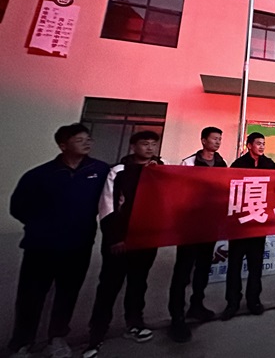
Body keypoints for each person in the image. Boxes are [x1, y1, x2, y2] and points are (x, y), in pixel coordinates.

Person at [8, 124, 109, 358]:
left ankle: (57, 337)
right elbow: (18, 207)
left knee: (67, 293)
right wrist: (42, 225)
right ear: (63, 146)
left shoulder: (100, 170)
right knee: (31, 296)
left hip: (79, 244)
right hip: (41, 246)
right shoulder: (39, 175)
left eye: (88, 138)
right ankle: (22, 343)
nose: (87, 142)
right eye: (79, 140)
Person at [84, 131, 165, 358]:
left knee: (138, 283)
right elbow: (107, 207)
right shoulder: (118, 171)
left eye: (153, 144)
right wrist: (115, 238)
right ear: (133, 146)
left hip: (146, 238)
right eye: (144, 144)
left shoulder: (161, 169)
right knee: (109, 286)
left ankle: (134, 323)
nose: (149, 148)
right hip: (120, 240)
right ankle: (97, 334)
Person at [168, 127, 228, 342]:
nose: (218, 142)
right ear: (203, 140)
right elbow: (180, 192)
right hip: (189, 226)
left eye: (220, 139)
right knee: (183, 271)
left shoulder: (222, 164)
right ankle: (177, 316)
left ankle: (197, 305)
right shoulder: (189, 163)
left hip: (209, 226)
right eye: (214, 138)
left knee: (203, 268)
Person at [222, 132, 275, 320]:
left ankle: (254, 300)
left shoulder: (269, 165)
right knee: (234, 265)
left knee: (256, 265)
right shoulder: (238, 164)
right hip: (239, 224)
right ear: (249, 145)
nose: (261, 147)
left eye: (263, 143)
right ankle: (232, 302)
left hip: (258, 223)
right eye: (258, 143)